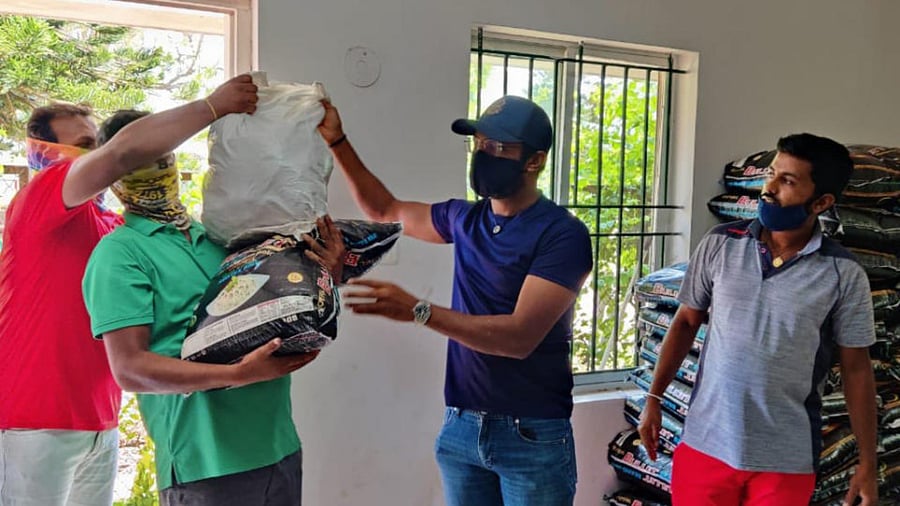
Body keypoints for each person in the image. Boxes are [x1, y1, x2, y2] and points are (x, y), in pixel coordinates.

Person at [317, 95, 593, 506]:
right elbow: (384, 209)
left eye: (497, 147)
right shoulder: (465, 219)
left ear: (534, 161)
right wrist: (337, 141)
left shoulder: (562, 235)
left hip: (531, 435)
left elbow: (519, 338)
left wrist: (419, 312)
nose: (484, 154)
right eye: (479, 143)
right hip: (461, 427)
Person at [81, 105, 346, 505]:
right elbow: (130, 369)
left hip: (277, 445)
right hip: (205, 462)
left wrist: (330, 272)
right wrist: (236, 375)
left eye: (162, 153)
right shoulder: (119, 254)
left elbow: (283, 307)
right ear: (112, 174)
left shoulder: (220, 239)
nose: (156, 167)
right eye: (138, 159)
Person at [638, 133, 878, 506]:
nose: (769, 188)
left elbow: (856, 369)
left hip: (785, 462)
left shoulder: (842, 274)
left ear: (822, 202)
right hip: (705, 447)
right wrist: (654, 398)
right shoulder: (720, 243)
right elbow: (685, 322)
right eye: (771, 174)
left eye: (788, 181)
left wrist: (868, 462)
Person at [0, 102, 122, 506]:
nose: (100, 154)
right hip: (34, 419)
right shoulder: (37, 199)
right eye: (86, 145)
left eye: (100, 143)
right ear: (44, 154)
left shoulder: (114, 225)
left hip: (101, 419)